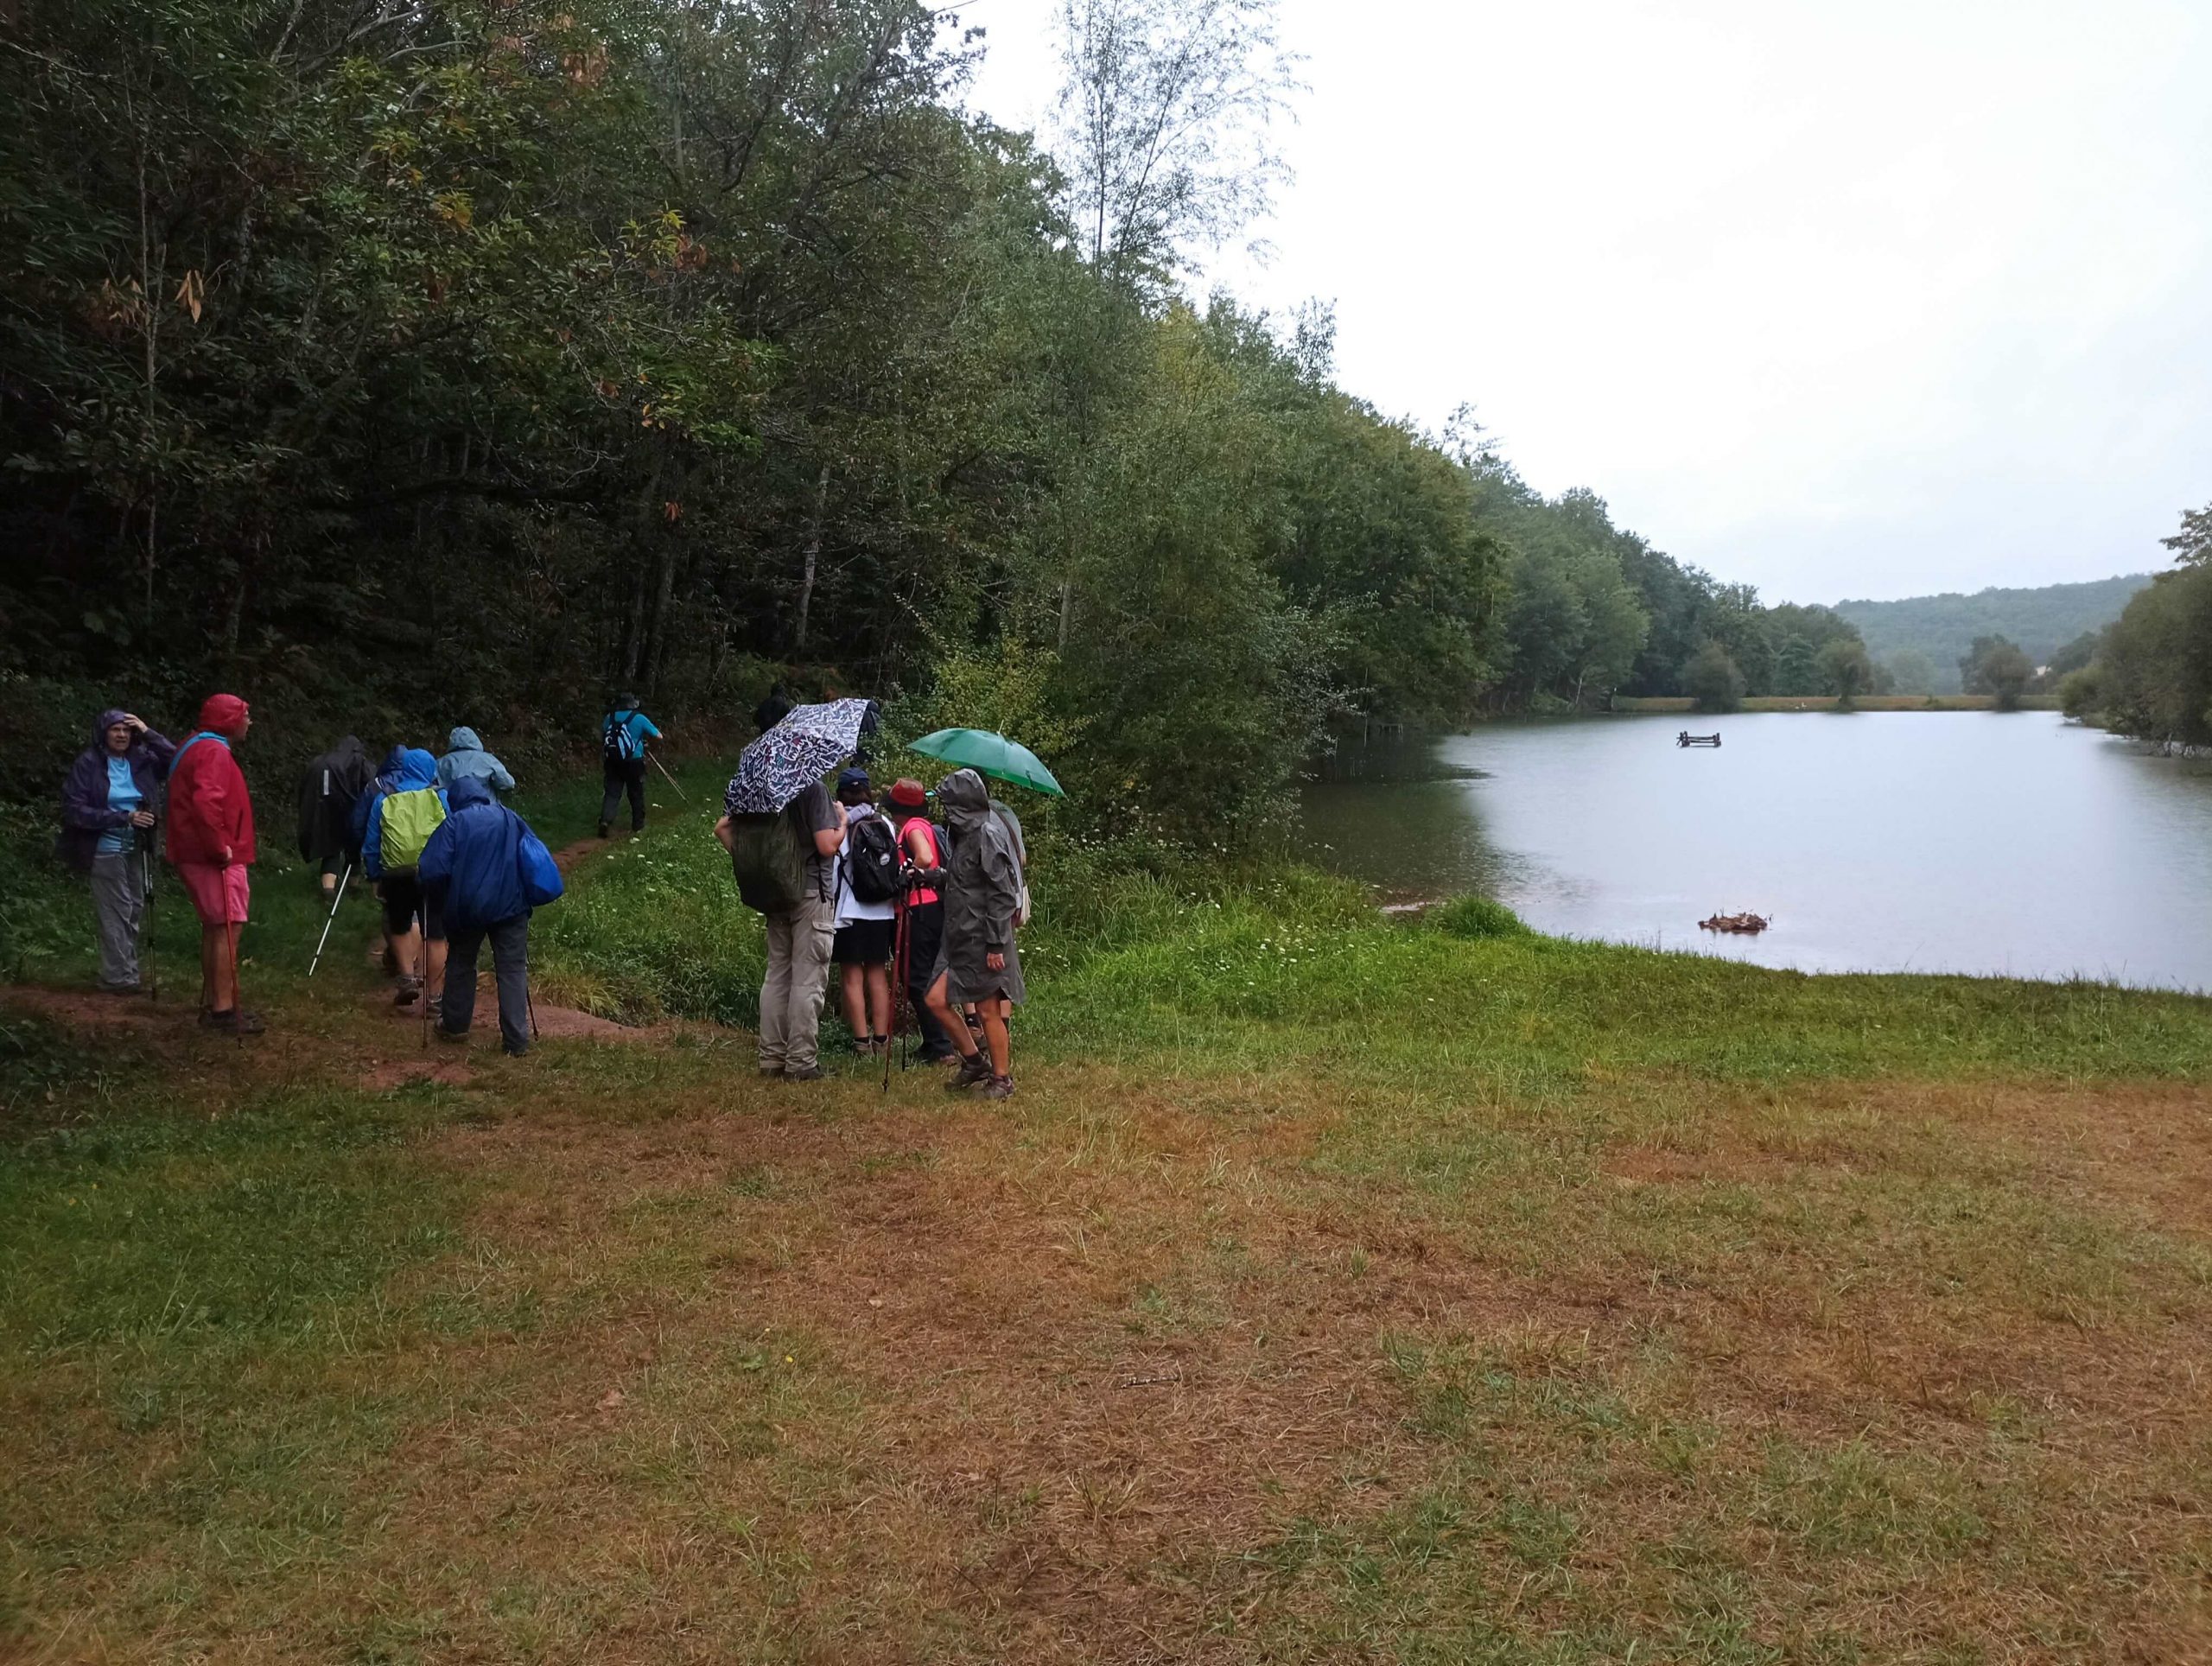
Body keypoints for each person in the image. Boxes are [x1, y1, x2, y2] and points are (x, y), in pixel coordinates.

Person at [419, 775, 563, 1057]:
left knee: (461, 962)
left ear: (455, 800)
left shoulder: (454, 823)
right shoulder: (508, 817)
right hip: (511, 906)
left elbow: (432, 869)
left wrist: (436, 894)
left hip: (468, 909)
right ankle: (516, 1041)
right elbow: (531, 851)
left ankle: (455, 1026)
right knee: (512, 969)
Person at [716, 773, 844, 1081]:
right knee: (807, 980)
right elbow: (826, 845)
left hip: (775, 892)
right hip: (811, 892)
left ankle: (771, 1058)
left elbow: (721, 828)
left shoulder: (757, 787)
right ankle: (801, 1063)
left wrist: (763, 864)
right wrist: (842, 821)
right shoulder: (812, 787)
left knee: (777, 976)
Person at [921, 768, 1024, 1099]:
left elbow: (1002, 894)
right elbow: (967, 880)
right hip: (958, 937)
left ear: (961, 804)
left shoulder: (986, 834)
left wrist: (995, 944)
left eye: (948, 803)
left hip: (982, 938)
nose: (944, 810)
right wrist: (936, 877)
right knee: (935, 1000)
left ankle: (1002, 1080)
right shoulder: (965, 835)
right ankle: (974, 1061)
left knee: (987, 1010)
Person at [58, 709, 176, 995]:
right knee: (116, 910)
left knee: (134, 908)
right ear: (103, 733)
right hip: (103, 847)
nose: (122, 735)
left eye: (127, 730)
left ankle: (125, 972)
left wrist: (148, 732)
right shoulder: (89, 763)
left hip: (137, 846)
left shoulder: (141, 759)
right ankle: (118, 977)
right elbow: (74, 810)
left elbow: (177, 760)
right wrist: (124, 817)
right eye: (115, 730)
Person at [165, 693, 262, 1033]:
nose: (249, 722)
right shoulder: (213, 751)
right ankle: (223, 1010)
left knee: (216, 925)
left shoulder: (196, 744)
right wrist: (219, 847)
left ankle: (214, 1003)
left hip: (197, 850)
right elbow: (206, 801)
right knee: (227, 927)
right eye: (245, 715)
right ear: (228, 719)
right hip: (215, 856)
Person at [358, 747, 448, 1008]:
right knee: (436, 935)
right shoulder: (440, 796)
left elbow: (372, 843)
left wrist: (375, 876)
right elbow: (453, 832)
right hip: (433, 872)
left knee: (399, 926)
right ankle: (435, 997)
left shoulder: (384, 799)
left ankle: (407, 978)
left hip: (396, 873)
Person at [884, 778, 955, 1062]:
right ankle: (937, 1041)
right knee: (929, 976)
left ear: (898, 809)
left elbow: (924, 857)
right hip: (933, 907)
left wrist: (908, 874)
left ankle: (940, 1046)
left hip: (919, 908)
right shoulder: (925, 825)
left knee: (916, 978)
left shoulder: (912, 827)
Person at [830, 767, 895, 1054]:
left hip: (850, 910)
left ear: (840, 795)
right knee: (878, 975)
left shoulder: (839, 824)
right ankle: (882, 1039)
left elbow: (835, 867)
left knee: (852, 977)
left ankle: (861, 1040)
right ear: (868, 791)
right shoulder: (885, 822)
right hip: (882, 910)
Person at [297, 735, 372, 897]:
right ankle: (353, 885)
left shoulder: (320, 761)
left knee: (331, 848)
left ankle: (328, 889)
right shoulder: (357, 760)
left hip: (320, 809)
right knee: (352, 846)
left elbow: (304, 787)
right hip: (346, 809)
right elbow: (368, 784)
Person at [599, 694, 662, 838]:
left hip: (613, 760)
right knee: (636, 792)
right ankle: (638, 825)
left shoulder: (610, 717)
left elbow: (604, 734)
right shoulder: (639, 718)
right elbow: (658, 736)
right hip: (634, 761)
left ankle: (605, 821)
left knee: (612, 792)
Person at [436, 726, 517, 802]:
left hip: (453, 809)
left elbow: (434, 787)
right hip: (487, 808)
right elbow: (508, 783)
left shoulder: (441, 762)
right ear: (475, 740)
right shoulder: (488, 759)